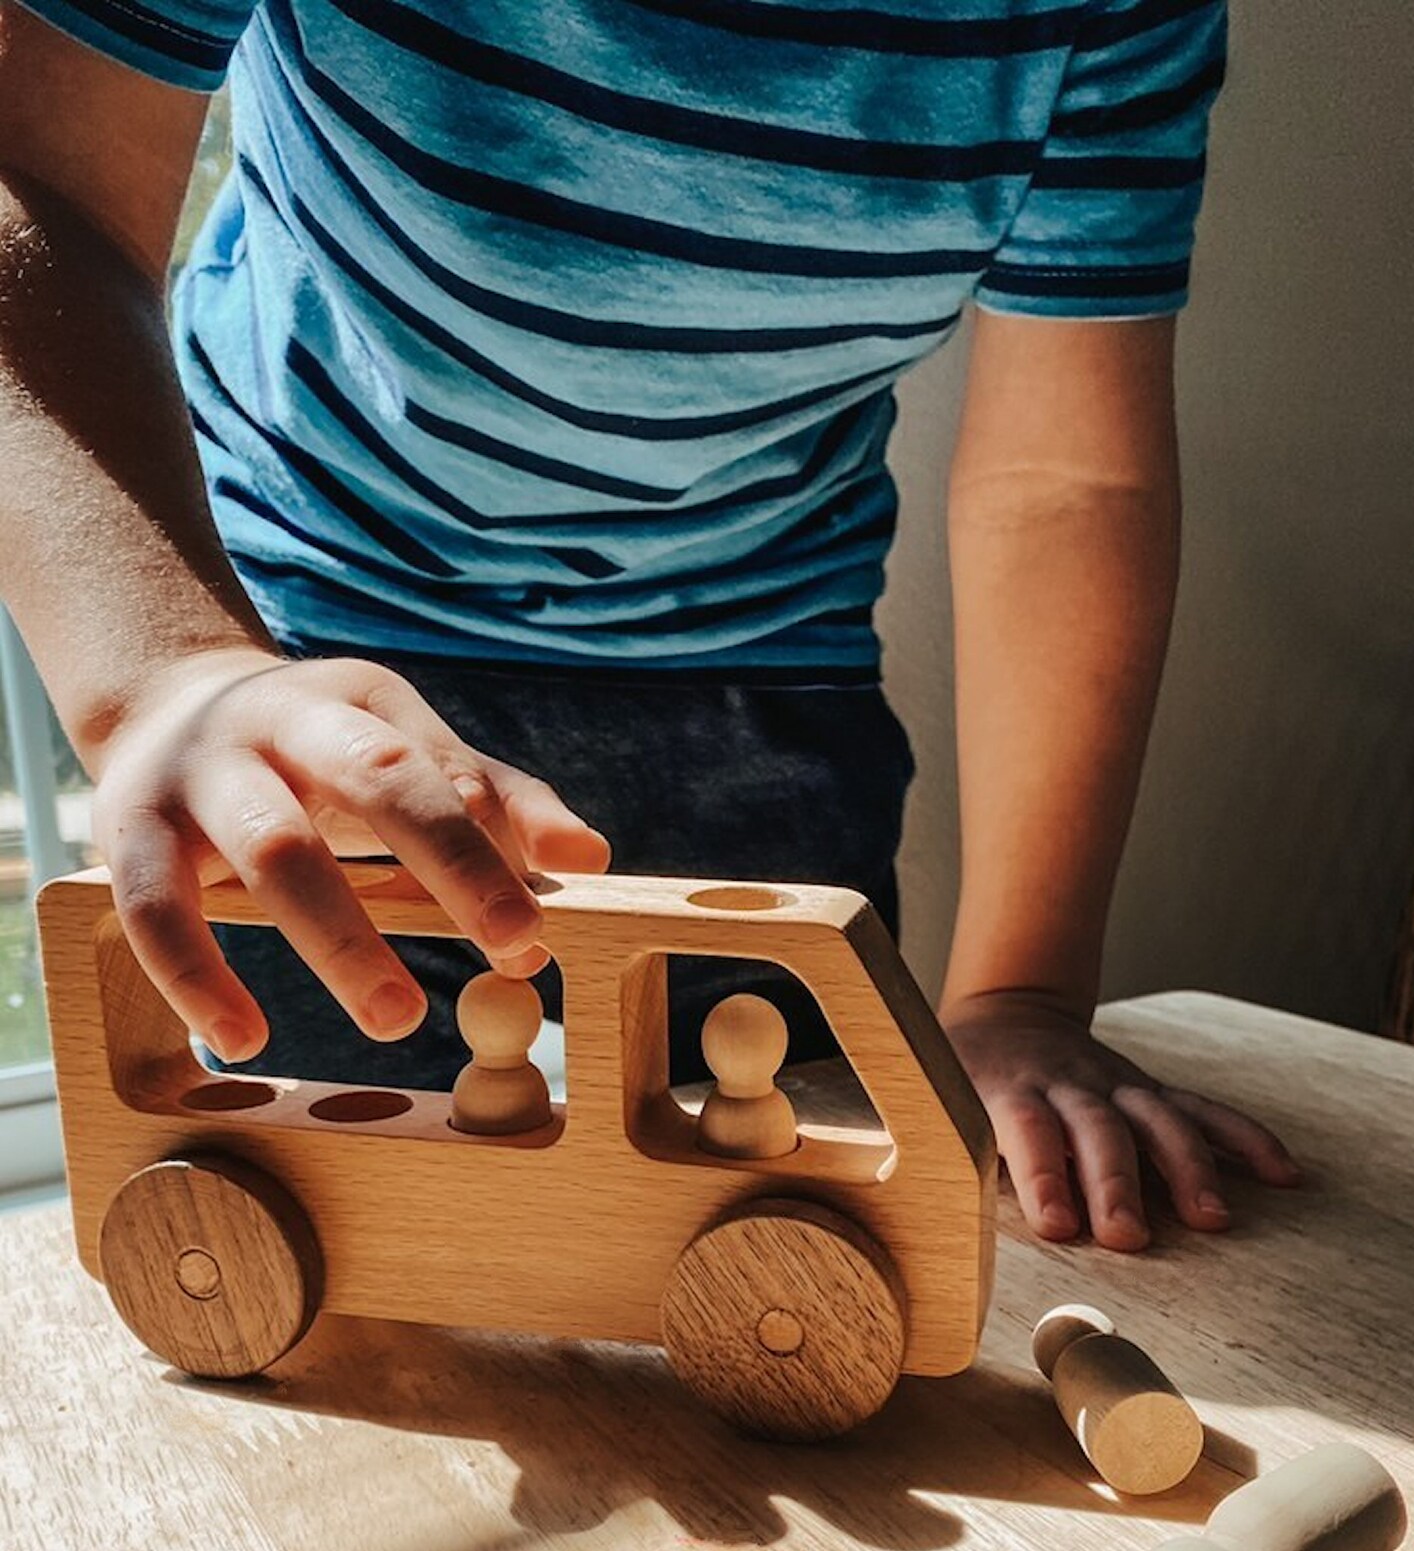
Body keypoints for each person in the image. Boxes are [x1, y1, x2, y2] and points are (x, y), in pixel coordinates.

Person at [0, 0, 1298, 1248]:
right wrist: (169, 670)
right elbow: (41, 183)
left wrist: (1021, 991)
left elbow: (1063, 484)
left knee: (768, 1229)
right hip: (316, 676)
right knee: (327, 1245)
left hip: (767, 675)